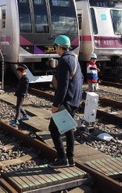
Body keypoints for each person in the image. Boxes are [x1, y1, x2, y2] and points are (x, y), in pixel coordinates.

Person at [48, 35, 83, 169]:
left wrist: (56, 105)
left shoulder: (63, 61)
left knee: (53, 129)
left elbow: (63, 86)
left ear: (58, 46)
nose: (55, 49)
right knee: (68, 130)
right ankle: (70, 159)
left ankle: (62, 158)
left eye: (55, 47)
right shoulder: (74, 58)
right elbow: (81, 79)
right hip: (74, 100)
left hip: (66, 102)